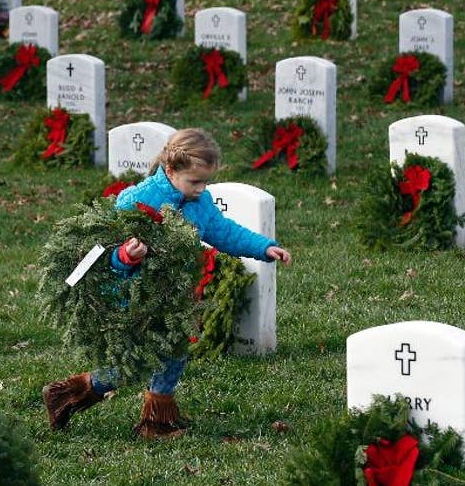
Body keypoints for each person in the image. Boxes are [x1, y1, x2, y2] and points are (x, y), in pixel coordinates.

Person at [41, 128, 291, 439]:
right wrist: (126, 255)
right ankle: (69, 394)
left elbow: (224, 231)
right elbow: (105, 252)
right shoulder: (140, 199)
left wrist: (263, 247)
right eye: (195, 181)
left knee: (173, 353)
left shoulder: (200, 202)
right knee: (135, 361)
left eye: (206, 182)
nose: (202, 189)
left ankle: (156, 420)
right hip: (136, 299)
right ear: (170, 170)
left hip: (174, 299)